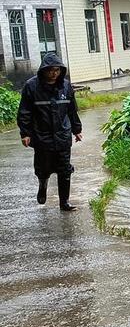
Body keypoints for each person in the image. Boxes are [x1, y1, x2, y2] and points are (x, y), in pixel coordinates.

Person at [17, 52, 82, 211]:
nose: (54, 73)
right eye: (50, 70)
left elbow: (72, 110)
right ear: (43, 70)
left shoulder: (66, 86)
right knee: (43, 168)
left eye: (57, 70)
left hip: (62, 135)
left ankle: (64, 203)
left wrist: (76, 129)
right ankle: (42, 185)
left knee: (64, 169)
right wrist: (25, 133)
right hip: (41, 136)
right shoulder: (31, 86)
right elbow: (25, 111)